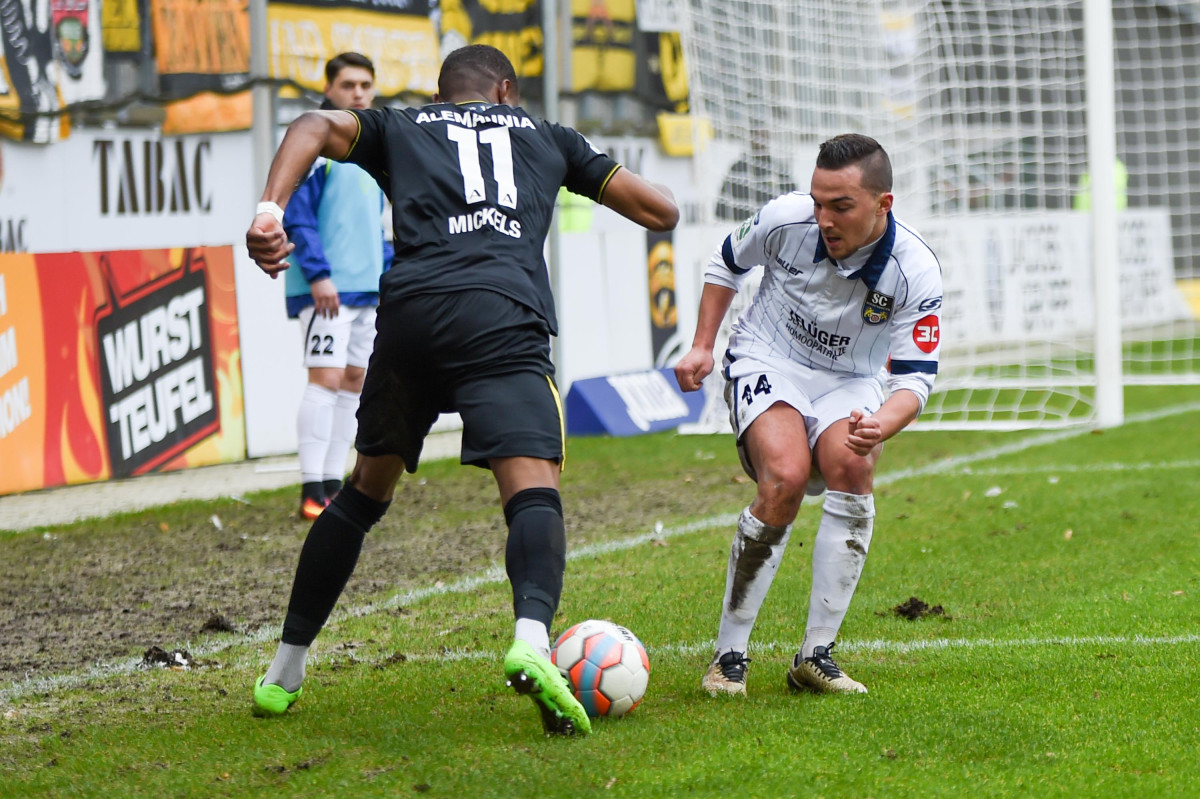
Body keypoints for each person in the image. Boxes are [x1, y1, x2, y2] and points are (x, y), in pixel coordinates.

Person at [245, 44, 678, 736]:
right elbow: (662, 212)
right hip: (501, 314)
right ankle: (532, 640)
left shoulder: (403, 126)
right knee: (533, 489)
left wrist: (270, 210)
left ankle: (284, 670)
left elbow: (313, 124)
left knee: (362, 494)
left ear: (441, 95)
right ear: (506, 91)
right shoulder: (547, 136)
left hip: (412, 317)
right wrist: (575, 164)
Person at [674, 133, 942, 697]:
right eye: (818, 202)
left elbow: (915, 378)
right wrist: (702, 345)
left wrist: (883, 423)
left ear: (883, 204)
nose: (824, 218)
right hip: (768, 358)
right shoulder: (785, 219)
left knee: (854, 466)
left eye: (841, 206)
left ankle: (816, 655)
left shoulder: (915, 268)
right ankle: (728, 657)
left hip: (850, 380)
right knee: (785, 477)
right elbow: (726, 262)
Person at [285, 52, 394, 520]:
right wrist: (318, 274)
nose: (358, 93)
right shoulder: (315, 144)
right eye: (348, 85)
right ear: (328, 89)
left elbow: (378, 227)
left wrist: (388, 276)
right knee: (325, 379)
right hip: (326, 288)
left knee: (354, 382)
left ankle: (333, 485)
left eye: (365, 85)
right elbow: (296, 216)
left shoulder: (373, 150)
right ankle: (312, 489)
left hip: (366, 289)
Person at [714, 127, 795, 222]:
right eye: (756, 134)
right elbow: (721, 210)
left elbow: (794, 204)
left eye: (762, 134)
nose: (759, 139)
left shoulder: (778, 170)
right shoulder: (737, 169)